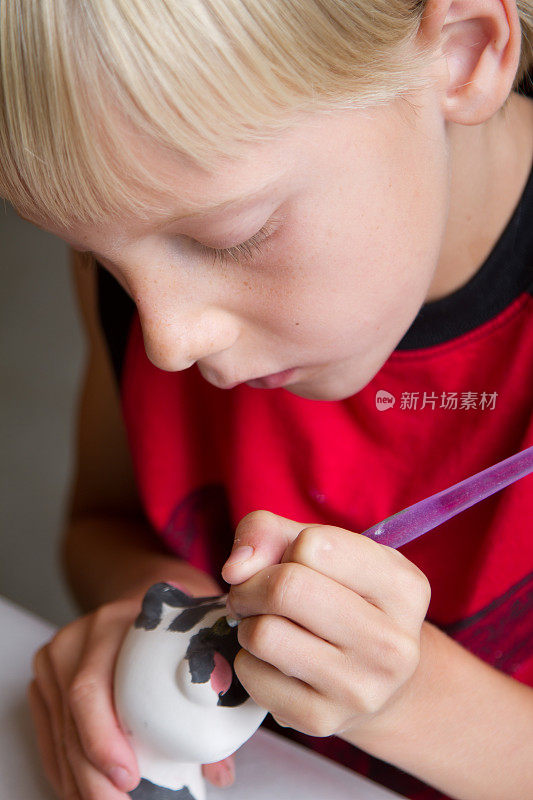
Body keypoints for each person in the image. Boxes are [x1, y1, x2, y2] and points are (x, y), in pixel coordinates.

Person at [1, 0, 532, 798]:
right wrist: (151, 620)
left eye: (228, 237)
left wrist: (410, 703)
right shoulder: (147, 275)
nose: (167, 343)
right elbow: (98, 524)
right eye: (94, 257)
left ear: (461, 54)